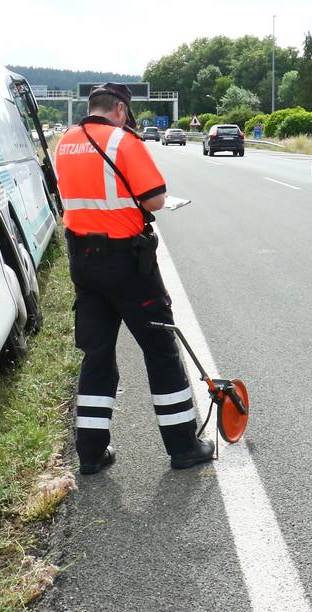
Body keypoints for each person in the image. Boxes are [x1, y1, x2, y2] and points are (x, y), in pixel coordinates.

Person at [53, 82, 215, 476]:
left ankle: (91, 453)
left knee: (97, 355)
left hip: (83, 263)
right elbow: (154, 199)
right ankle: (183, 446)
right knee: (160, 351)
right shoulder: (123, 142)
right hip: (126, 264)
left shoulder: (66, 143)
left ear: (91, 106)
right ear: (121, 110)